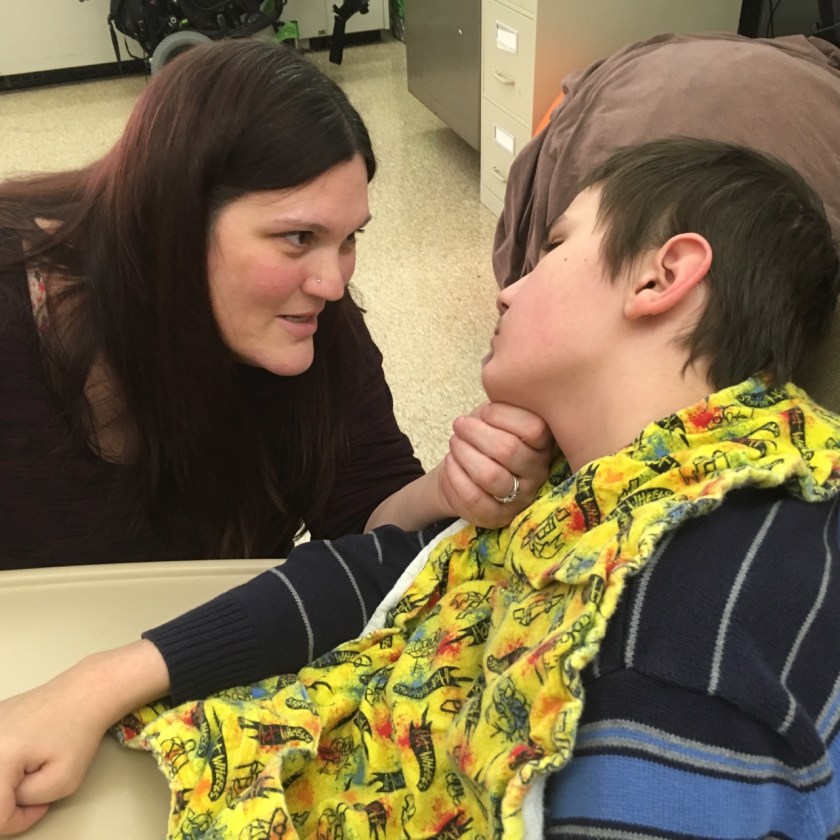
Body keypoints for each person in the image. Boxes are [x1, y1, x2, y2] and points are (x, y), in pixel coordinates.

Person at [2, 137, 839, 838]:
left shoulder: (685, 630)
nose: (508, 286)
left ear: (661, 277)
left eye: (553, 246)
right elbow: (398, 574)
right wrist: (93, 686)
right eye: (297, 238)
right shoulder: (612, 488)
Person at [0, 38, 552, 568]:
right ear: (176, 218)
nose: (333, 286)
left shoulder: (314, 320)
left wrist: (450, 488)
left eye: (349, 238)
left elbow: (362, 518)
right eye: (298, 237)